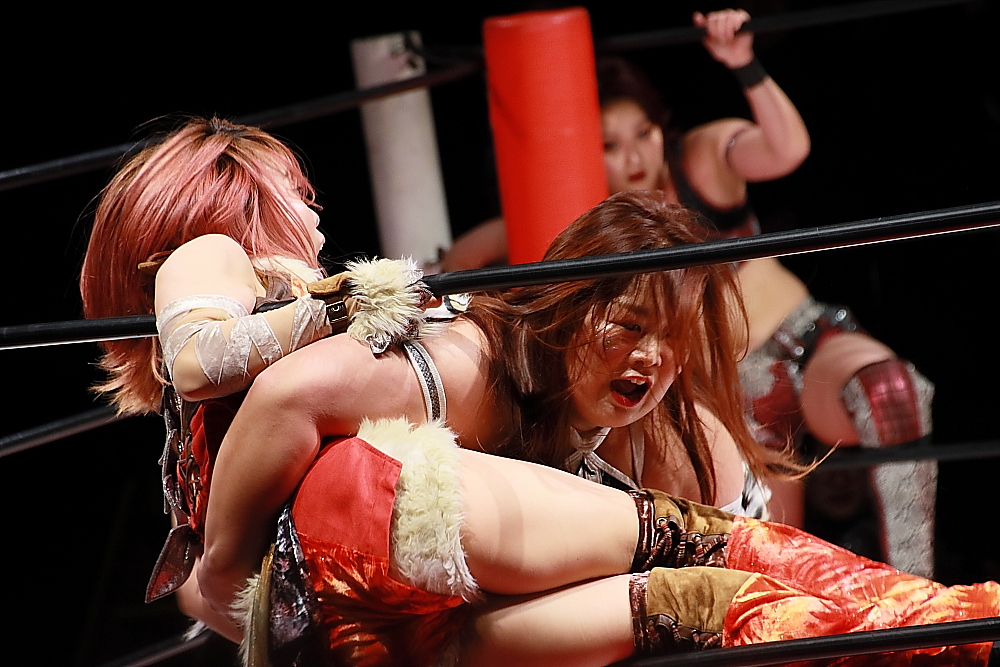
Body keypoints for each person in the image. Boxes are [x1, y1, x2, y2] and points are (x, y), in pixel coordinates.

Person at [79, 117, 990, 667]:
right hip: (365, 535)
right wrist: (224, 569)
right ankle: (961, 618)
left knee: (693, 593)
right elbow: (229, 371)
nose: (316, 212)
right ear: (232, 192)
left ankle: (958, 625)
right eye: (296, 189)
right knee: (699, 556)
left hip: (383, 623)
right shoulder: (228, 259)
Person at [440, 8, 936, 579]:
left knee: (889, 391)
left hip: (801, 340)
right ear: (580, 149)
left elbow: (789, 148)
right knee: (769, 557)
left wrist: (745, 65)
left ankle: (924, 595)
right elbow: (463, 261)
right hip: (730, 393)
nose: (635, 157)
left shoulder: (699, 162)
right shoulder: (589, 222)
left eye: (644, 133)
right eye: (610, 144)